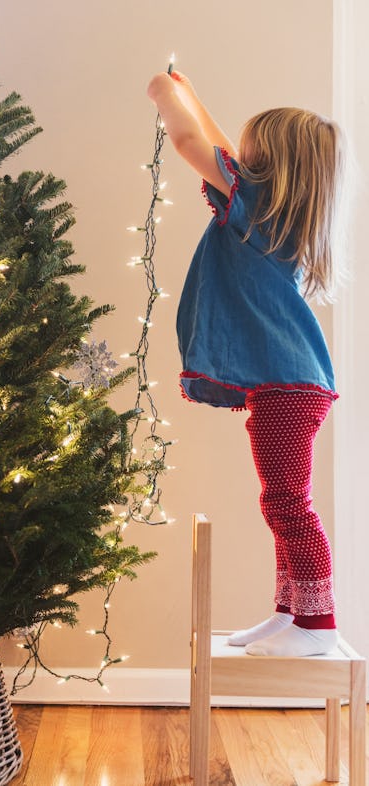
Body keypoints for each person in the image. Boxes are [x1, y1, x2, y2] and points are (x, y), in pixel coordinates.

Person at [147, 70, 346, 657]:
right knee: (282, 500)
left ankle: (318, 623)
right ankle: (290, 614)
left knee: (288, 502)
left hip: (288, 383)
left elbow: (190, 146)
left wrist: (163, 92)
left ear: (273, 164)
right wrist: (194, 96)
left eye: (250, 145)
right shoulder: (273, 205)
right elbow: (220, 151)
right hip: (287, 383)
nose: (237, 154)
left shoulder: (256, 201)